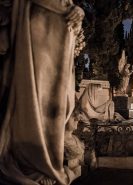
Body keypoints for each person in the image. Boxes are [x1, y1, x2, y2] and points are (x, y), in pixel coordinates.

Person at [0, 1, 84, 184]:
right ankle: (34, 163)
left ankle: (49, 162)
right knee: (34, 101)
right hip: (37, 24)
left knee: (59, 106)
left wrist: (77, 12)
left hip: (63, 31)